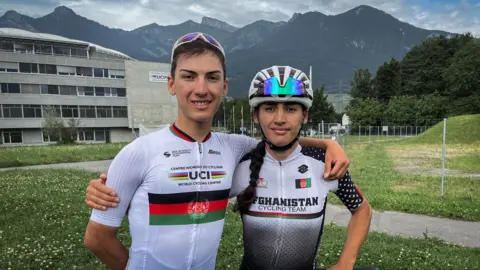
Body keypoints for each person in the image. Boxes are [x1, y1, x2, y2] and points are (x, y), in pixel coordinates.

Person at [83, 32, 352, 270]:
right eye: (189, 76)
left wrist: (330, 144)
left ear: (224, 87)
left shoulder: (233, 146)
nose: (201, 89)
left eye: (211, 78)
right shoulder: (137, 152)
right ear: (171, 84)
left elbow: (280, 137)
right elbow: (97, 239)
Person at [231, 65, 373, 270]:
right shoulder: (241, 162)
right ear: (256, 116)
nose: (280, 118)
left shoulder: (324, 162)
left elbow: (362, 210)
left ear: (304, 116)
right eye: (269, 108)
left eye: (290, 109)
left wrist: (346, 263)